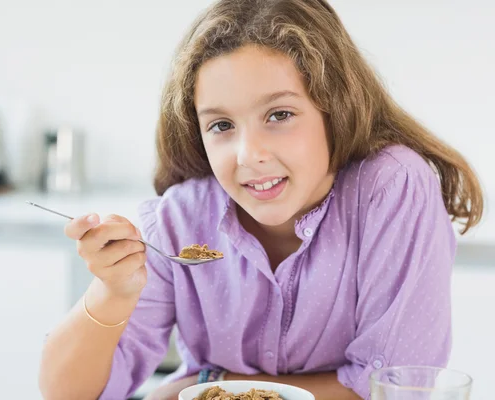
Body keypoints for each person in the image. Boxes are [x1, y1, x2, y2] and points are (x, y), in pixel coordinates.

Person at [38, 0, 484, 399]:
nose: (249, 156)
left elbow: (392, 388)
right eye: (221, 126)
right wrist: (112, 292)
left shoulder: (391, 188)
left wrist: (210, 382)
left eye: (280, 115)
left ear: (337, 108)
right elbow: (68, 394)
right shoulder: (179, 221)